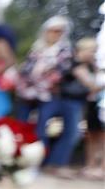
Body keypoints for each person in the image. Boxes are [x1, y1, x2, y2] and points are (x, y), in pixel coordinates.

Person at [37, 36, 100, 175]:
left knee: (71, 134)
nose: (93, 54)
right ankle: (47, 163)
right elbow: (91, 85)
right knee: (55, 132)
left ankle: (55, 164)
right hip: (62, 100)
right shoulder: (74, 63)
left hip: (76, 102)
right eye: (91, 50)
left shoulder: (88, 65)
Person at [15, 16, 72, 123]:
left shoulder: (65, 51)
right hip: (26, 94)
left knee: (42, 128)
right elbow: (25, 70)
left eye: (58, 31)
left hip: (48, 96)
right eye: (51, 30)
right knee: (21, 125)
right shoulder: (36, 49)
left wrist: (41, 83)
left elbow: (60, 73)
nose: (54, 34)